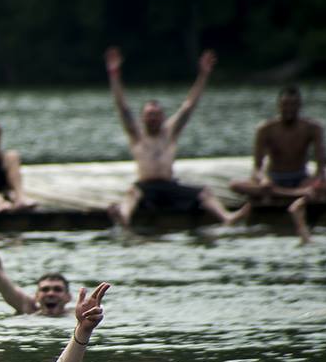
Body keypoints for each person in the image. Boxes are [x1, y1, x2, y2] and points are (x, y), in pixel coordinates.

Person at [104, 47, 249, 228]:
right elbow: (122, 106)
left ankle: (226, 217)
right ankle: (124, 217)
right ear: (143, 118)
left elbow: (189, 105)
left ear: (163, 117)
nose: (153, 118)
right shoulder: (137, 134)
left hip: (169, 186)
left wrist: (203, 75)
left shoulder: (169, 132)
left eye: (156, 114)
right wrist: (114, 73)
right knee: (132, 193)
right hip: (145, 188)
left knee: (204, 192)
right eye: (149, 115)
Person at [231, 86, 326, 244]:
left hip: (300, 178)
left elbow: (321, 169)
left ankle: (291, 193)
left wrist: (314, 181)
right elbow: (257, 168)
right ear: (278, 106)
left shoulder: (312, 128)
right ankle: (297, 194)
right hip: (274, 180)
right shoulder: (265, 129)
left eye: (293, 104)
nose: (289, 109)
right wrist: (264, 179)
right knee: (235, 185)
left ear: (299, 106)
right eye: (285, 104)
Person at [0, 189, 71, 316]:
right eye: (45, 289)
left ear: (68, 297)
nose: (50, 294)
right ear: (36, 296)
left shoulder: (79, 316)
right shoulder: (27, 308)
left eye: (57, 289)